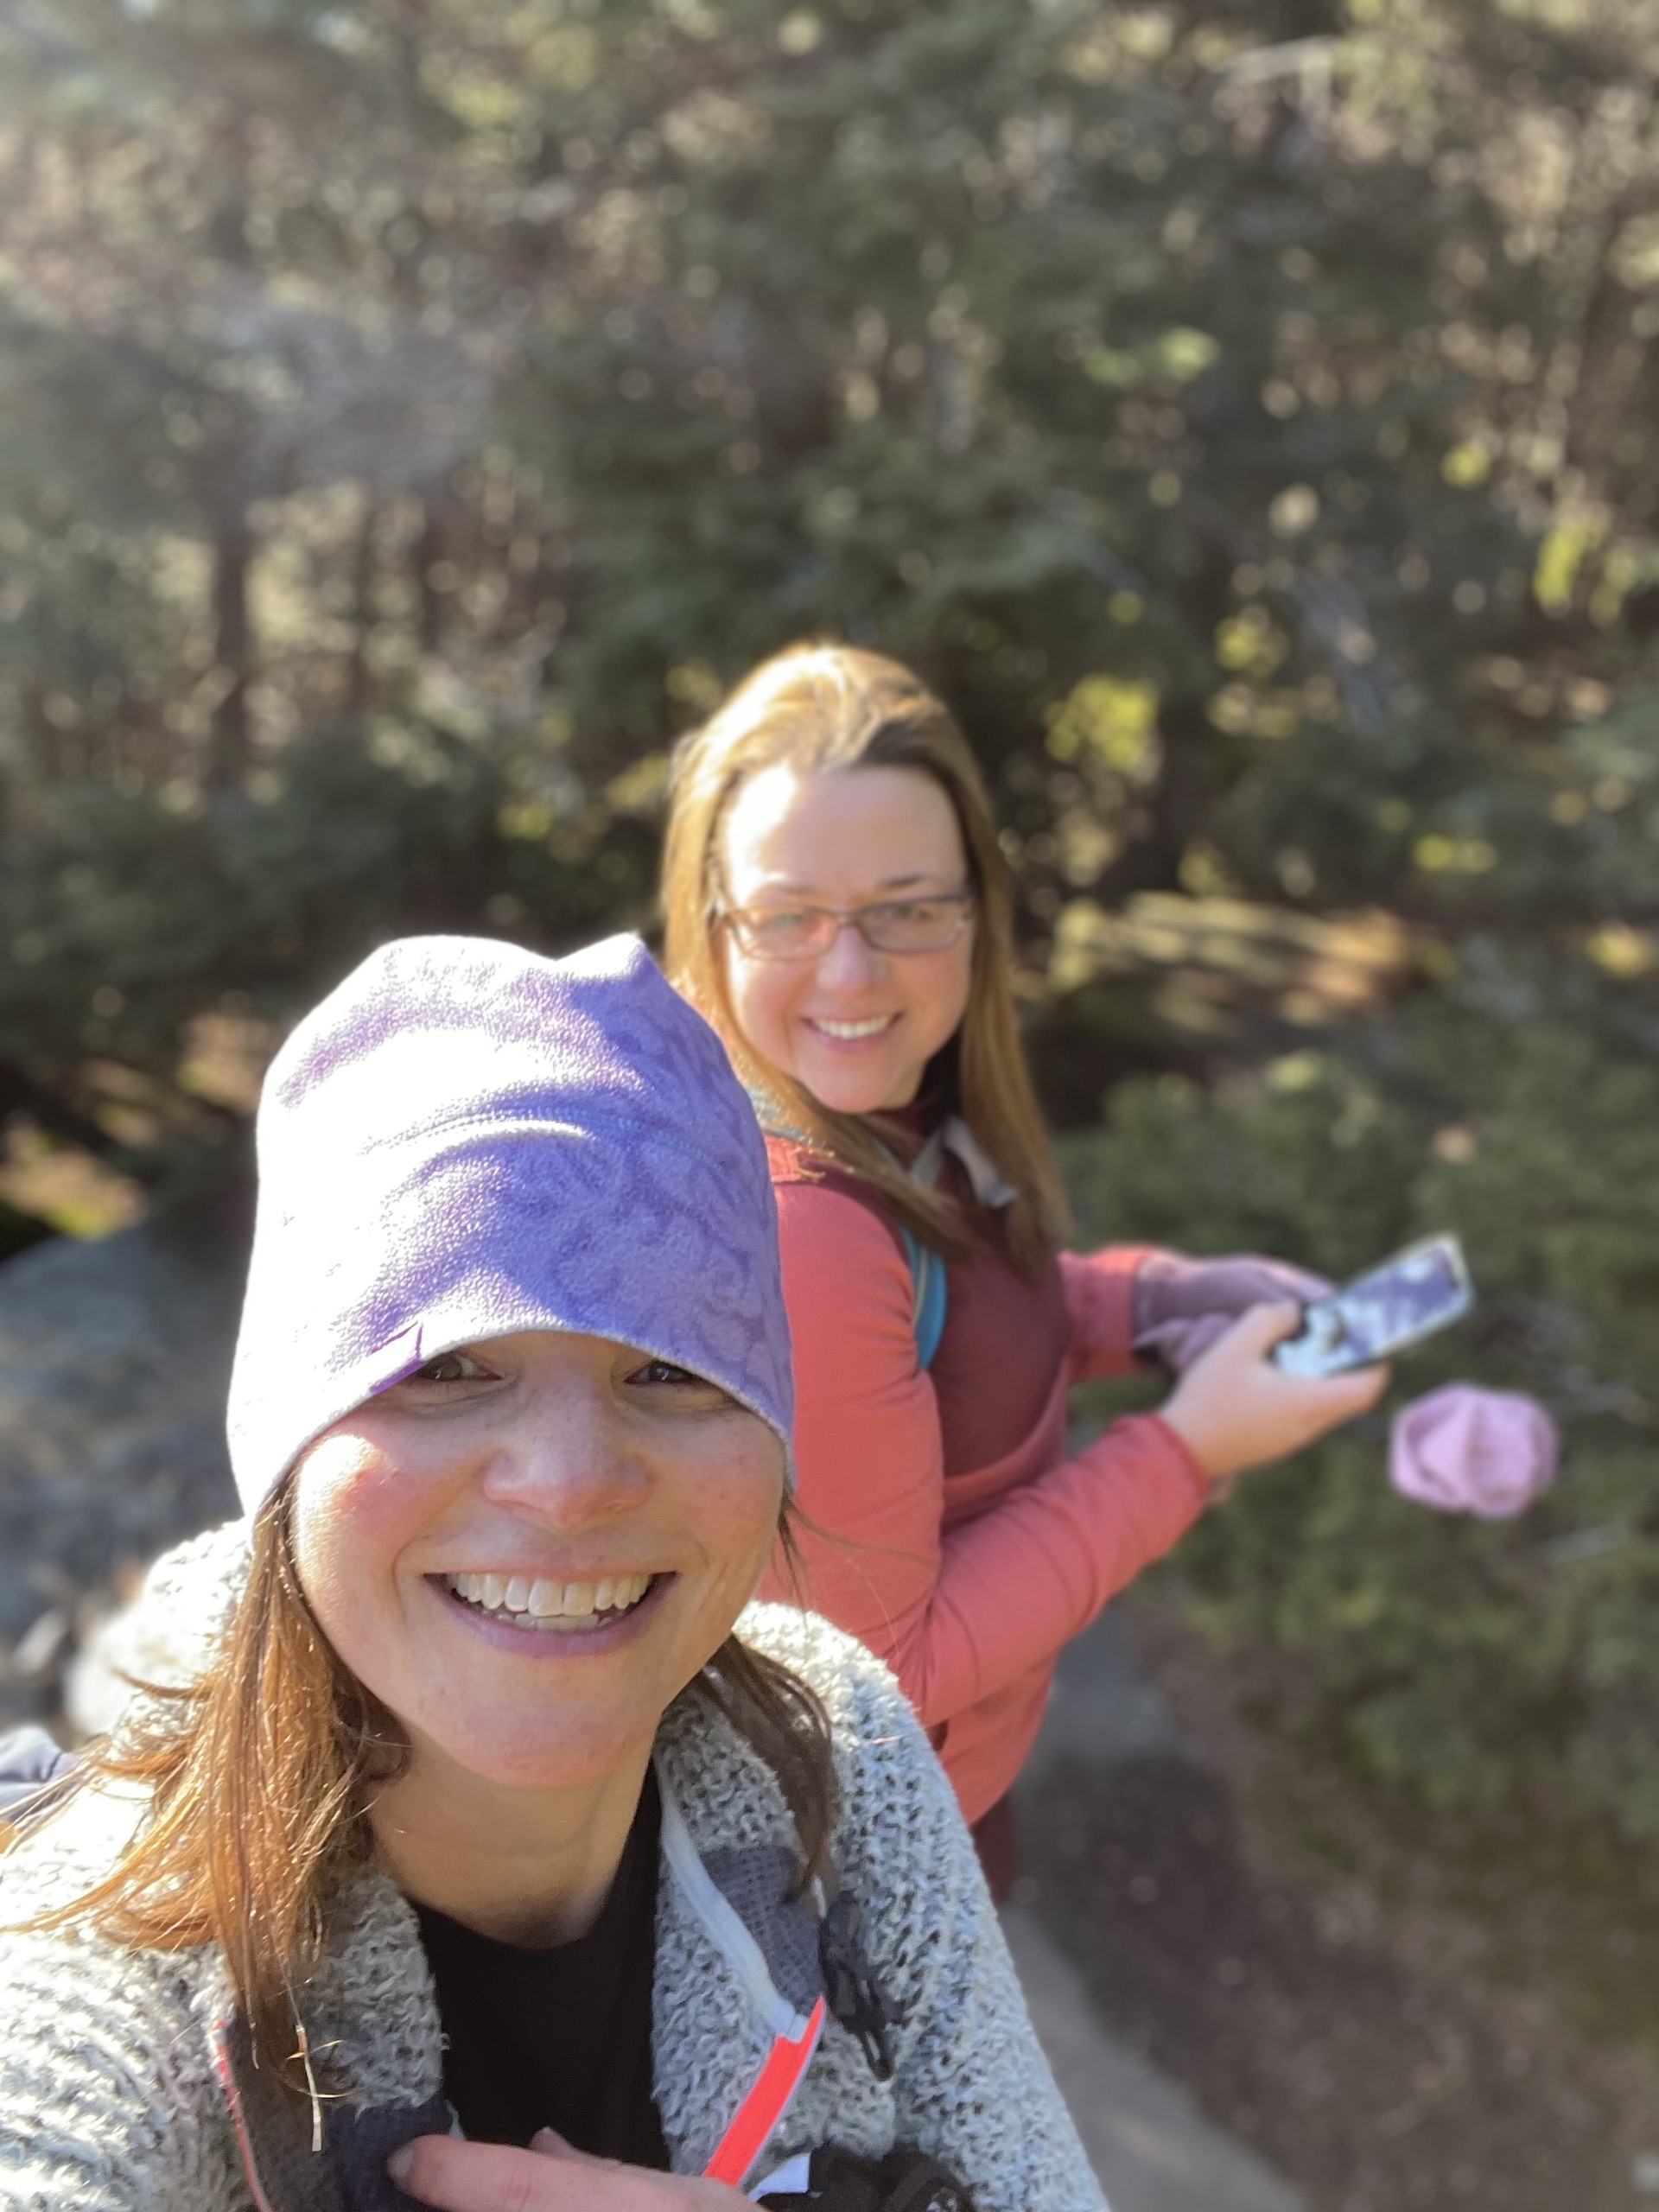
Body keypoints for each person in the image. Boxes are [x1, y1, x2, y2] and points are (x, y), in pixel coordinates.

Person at [0, 933, 1103, 2212]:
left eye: (671, 1368)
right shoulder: (105, 1933)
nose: (572, 1484)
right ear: (287, 1442)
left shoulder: (839, 1752)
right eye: (446, 1367)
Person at [663, 644, 1387, 1884]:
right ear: (715, 926)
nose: (852, 969)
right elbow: (881, 1671)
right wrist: (1185, 1452)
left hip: (950, 1804)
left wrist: (1156, 1303)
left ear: (975, 913)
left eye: (907, 908)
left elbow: (976, 1314)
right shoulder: (807, 1229)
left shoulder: (899, 1113)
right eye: (789, 916)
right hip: (868, 1877)